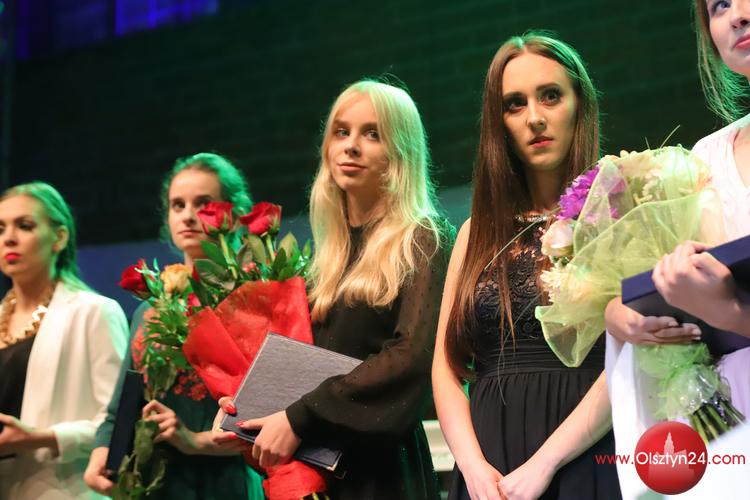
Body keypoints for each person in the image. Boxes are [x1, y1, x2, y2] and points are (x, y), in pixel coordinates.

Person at [218, 79, 452, 499]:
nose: (351, 146)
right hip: (319, 467)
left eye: (373, 134)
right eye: (341, 132)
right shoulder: (327, 257)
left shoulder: (422, 238)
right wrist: (253, 411)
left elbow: (411, 356)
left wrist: (299, 417)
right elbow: (309, 364)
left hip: (381, 476)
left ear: (402, 152)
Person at [432, 32, 621, 500]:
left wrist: (545, 463)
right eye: (515, 104)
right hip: (489, 466)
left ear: (579, 104)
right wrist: (472, 467)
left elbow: (628, 361)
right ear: (499, 123)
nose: (534, 117)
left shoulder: (617, 218)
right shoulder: (475, 234)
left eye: (550, 96)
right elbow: (446, 368)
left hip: (585, 454)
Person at [604, 2, 750, 498]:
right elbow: (667, 286)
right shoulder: (706, 158)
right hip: (732, 410)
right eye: (719, 5)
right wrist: (622, 317)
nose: (737, 15)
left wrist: (731, 313)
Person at [84, 153, 263, 499]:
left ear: (235, 213)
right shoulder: (151, 308)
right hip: (157, 482)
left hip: (224, 483)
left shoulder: (252, 300)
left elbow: (265, 412)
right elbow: (125, 402)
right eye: (178, 205)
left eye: (204, 203)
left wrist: (195, 441)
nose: (188, 215)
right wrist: (103, 453)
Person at [0, 182, 129, 499]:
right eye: (1, 228)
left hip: (61, 489)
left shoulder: (93, 312)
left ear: (59, 237)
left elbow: (120, 423)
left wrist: (44, 437)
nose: (9, 238)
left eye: (25, 226)